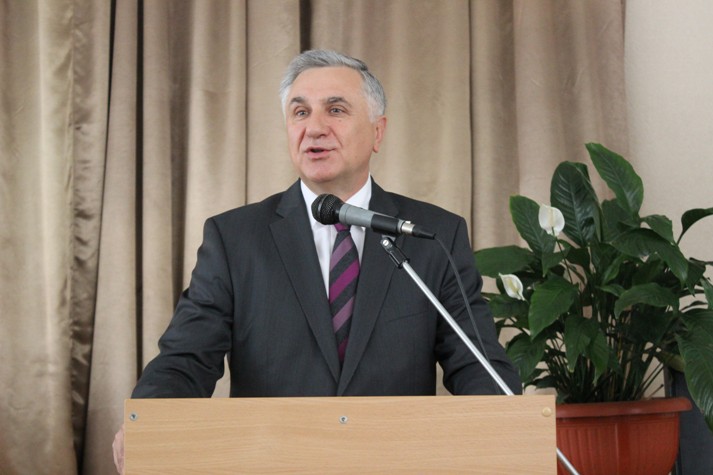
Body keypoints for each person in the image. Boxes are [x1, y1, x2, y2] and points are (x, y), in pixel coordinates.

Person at [112, 49, 521, 472]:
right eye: (300, 112)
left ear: (378, 132)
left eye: (336, 110)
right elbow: (185, 359)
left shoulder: (430, 236)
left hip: (396, 462)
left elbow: (477, 365)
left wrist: (503, 429)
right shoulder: (235, 239)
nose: (314, 128)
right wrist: (149, 420)